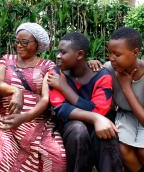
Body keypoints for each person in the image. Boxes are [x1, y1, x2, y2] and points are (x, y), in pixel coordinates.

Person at [0, 22, 66, 172]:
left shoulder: (47, 65)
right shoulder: (7, 59)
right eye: (17, 41)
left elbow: (46, 99)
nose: (19, 45)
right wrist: (16, 91)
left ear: (37, 44)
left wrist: (24, 117)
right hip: (7, 121)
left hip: (38, 123)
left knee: (57, 156)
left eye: (24, 42)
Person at [99, 27, 144, 172]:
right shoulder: (109, 68)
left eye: (117, 54)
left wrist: (126, 87)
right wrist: (92, 64)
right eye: (110, 53)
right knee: (122, 149)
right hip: (126, 115)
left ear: (135, 52)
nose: (111, 58)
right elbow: (90, 76)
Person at [47, 32, 124, 172]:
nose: (58, 56)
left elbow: (98, 110)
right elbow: (60, 109)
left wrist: (64, 88)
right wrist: (95, 117)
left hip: (98, 126)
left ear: (80, 55)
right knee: (78, 129)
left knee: (106, 131)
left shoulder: (102, 76)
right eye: (58, 52)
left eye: (63, 52)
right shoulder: (56, 74)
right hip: (69, 127)